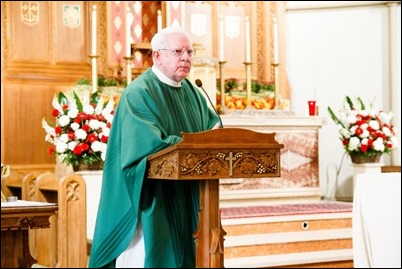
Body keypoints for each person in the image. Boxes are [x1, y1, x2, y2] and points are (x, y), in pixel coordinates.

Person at [88, 27, 221, 268]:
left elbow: (213, 130)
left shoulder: (193, 92)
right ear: (157, 56)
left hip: (191, 191)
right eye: (178, 51)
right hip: (156, 193)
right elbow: (148, 144)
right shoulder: (139, 93)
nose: (186, 58)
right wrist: (193, 146)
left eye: (189, 52)